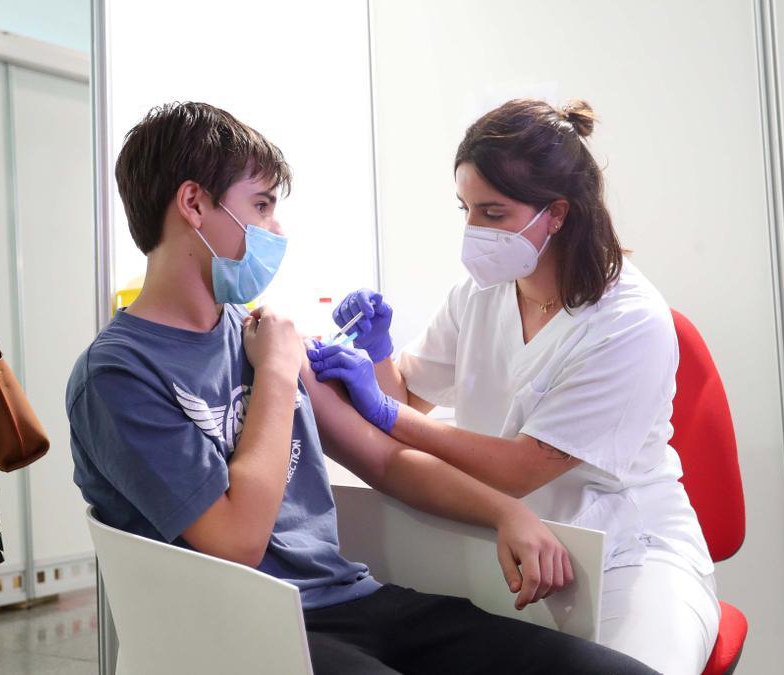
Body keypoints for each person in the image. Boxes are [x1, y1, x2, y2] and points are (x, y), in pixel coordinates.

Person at [67, 101, 654, 674]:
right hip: (244, 629)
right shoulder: (117, 375)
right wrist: (275, 371)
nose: (275, 229)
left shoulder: (251, 331)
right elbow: (237, 543)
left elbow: (388, 461)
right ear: (193, 203)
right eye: (263, 205)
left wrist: (506, 514)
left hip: (352, 600)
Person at [310, 98, 719, 675]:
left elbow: (518, 468)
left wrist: (381, 411)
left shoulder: (629, 321)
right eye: (466, 209)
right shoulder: (480, 293)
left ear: (556, 213)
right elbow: (405, 396)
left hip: (629, 557)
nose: (473, 231)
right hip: (513, 545)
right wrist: (379, 357)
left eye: (493, 213)